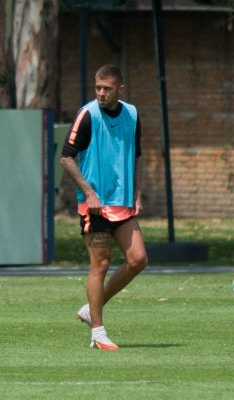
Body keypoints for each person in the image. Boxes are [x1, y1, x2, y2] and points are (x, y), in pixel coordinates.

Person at [60, 64, 148, 350]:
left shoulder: (132, 114)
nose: (101, 93)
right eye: (98, 87)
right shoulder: (87, 115)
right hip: (95, 208)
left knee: (138, 259)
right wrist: (89, 193)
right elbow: (66, 158)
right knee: (100, 264)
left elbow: (137, 157)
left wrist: (137, 193)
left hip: (122, 204)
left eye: (107, 88)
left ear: (119, 89)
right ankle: (97, 332)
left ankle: (89, 309)